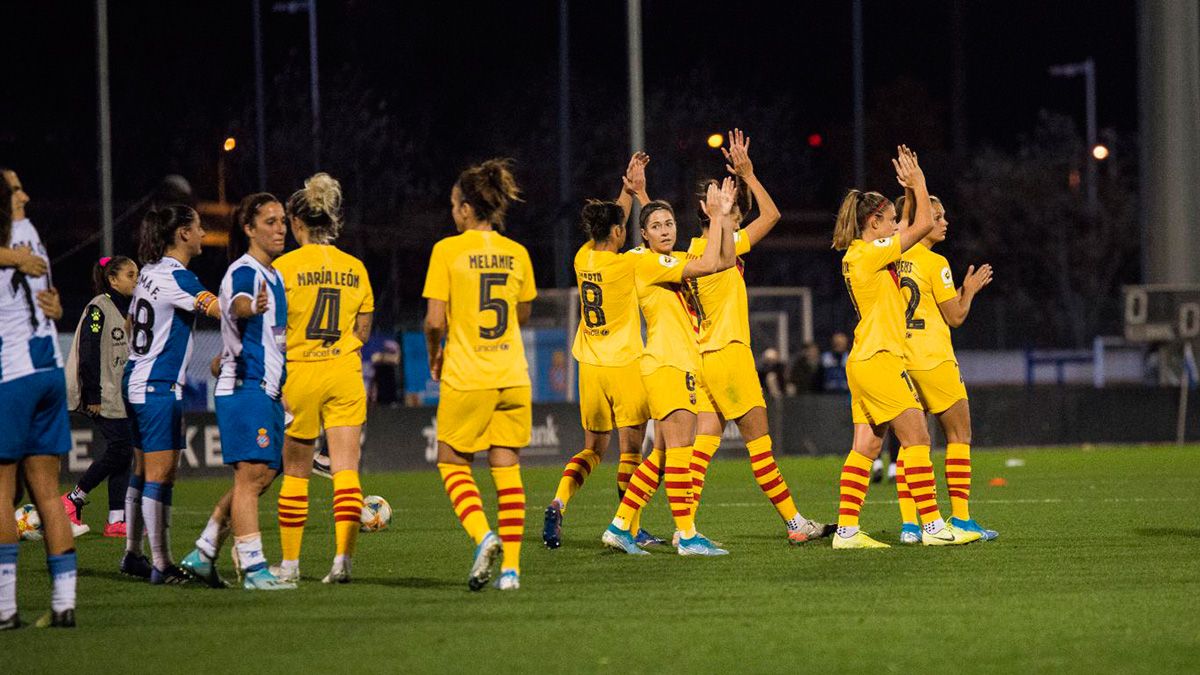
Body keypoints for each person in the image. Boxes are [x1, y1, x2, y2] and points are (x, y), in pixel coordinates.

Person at [681, 129, 833, 545]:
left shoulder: (698, 254)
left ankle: (685, 529)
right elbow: (762, 225)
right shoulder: (716, 255)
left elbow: (770, 216)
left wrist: (747, 176)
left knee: (702, 451)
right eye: (732, 213)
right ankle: (795, 524)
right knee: (760, 446)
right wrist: (731, 199)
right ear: (711, 213)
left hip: (708, 357)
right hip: (729, 357)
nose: (739, 220)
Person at [829, 146, 979, 549]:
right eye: (891, 221)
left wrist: (910, 195)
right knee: (917, 440)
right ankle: (932, 526)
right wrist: (918, 183)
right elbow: (923, 224)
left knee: (867, 446)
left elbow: (914, 225)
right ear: (873, 222)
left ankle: (846, 531)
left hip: (862, 360)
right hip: (880, 359)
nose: (897, 227)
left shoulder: (857, 254)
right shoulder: (871, 254)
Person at [600, 178, 738, 557]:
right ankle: (688, 536)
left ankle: (619, 527)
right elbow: (711, 260)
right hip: (667, 362)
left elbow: (724, 261)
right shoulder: (647, 261)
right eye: (656, 226)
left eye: (669, 224)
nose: (665, 230)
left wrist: (722, 219)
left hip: (674, 362)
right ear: (643, 234)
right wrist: (718, 215)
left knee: (661, 456)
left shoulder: (672, 261)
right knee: (681, 451)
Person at [543, 153, 666, 550]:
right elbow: (651, 232)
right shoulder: (627, 265)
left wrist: (624, 191)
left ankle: (558, 501)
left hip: (590, 366)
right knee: (630, 449)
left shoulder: (583, 258)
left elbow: (615, 221)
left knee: (592, 449)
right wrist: (642, 194)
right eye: (623, 229)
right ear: (618, 233)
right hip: (625, 364)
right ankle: (628, 526)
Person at [423, 158, 534, 591]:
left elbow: (434, 320)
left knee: (452, 462)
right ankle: (512, 570)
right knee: (506, 467)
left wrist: (436, 355)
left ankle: (483, 535)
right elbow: (522, 314)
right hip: (513, 372)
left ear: (467, 208)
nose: (453, 212)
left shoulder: (447, 250)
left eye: (454, 204)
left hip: (468, 373)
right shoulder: (518, 253)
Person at [178, 193, 296, 589]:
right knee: (250, 477)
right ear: (248, 228)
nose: (280, 228)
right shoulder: (245, 271)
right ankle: (253, 568)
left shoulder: (275, 275)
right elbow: (240, 304)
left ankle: (204, 550)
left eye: (282, 220)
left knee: (263, 476)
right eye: (270, 221)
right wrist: (252, 307)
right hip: (246, 387)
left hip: (267, 389)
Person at [271, 173, 374, 585]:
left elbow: (271, 330)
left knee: (296, 472)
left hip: (299, 372)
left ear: (297, 223)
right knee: (346, 470)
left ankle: (291, 565)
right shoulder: (355, 267)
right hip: (344, 371)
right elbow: (363, 332)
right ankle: (342, 562)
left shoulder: (282, 268)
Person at [123, 204, 222, 582]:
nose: (202, 234)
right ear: (182, 233)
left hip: (136, 378)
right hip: (158, 387)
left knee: (142, 468)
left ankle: (134, 554)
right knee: (161, 476)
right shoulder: (181, 278)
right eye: (198, 227)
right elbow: (216, 308)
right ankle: (161, 565)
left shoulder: (148, 272)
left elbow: (133, 322)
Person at [892, 192, 997, 543]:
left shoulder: (890, 259)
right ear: (921, 221)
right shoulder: (934, 262)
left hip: (900, 360)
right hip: (934, 360)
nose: (944, 221)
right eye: (937, 216)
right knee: (959, 436)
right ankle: (962, 519)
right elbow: (955, 317)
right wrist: (968, 291)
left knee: (912, 446)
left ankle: (909, 526)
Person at [0, 167, 77, 628]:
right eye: (15, 188)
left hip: (13, 374)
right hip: (49, 369)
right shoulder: (27, 235)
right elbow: (44, 293)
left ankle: (6, 607)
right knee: (47, 494)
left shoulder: (16, 232)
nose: (25, 195)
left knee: (3, 495)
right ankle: (64, 603)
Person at [63, 256, 139, 538]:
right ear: (113, 279)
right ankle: (74, 498)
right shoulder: (98, 309)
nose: (136, 279)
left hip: (118, 392)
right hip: (101, 393)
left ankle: (116, 520)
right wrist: (92, 393)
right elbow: (89, 350)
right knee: (120, 448)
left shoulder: (126, 310)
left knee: (124, 452)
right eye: (131, 274)